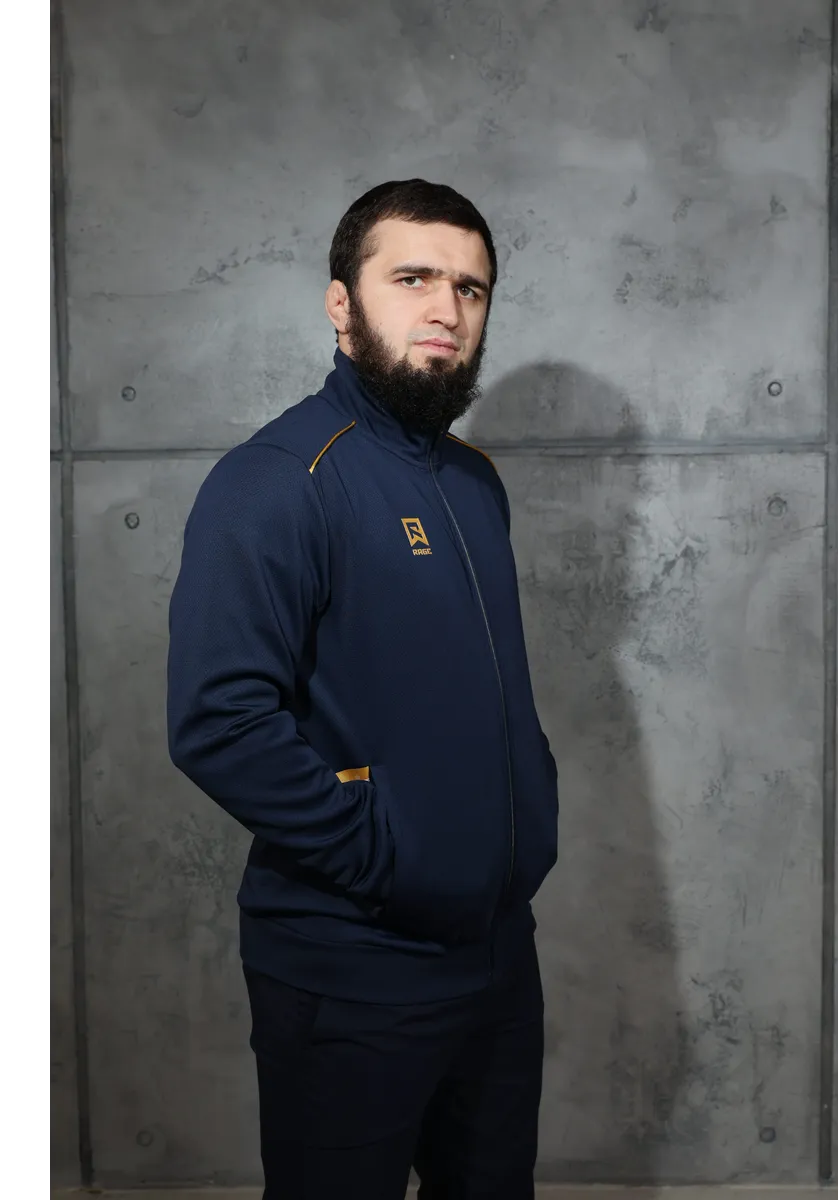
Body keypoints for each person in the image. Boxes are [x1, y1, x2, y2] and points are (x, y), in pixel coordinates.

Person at [166, 178, 559, 1199]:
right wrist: (389, 859)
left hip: (495, 959)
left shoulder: (472, 481)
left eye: (470, 288)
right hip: (350, 970)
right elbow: (219, 724)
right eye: (413, 278)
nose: (446, 309)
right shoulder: (277, 479)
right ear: (341, 302)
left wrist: (520, 830)